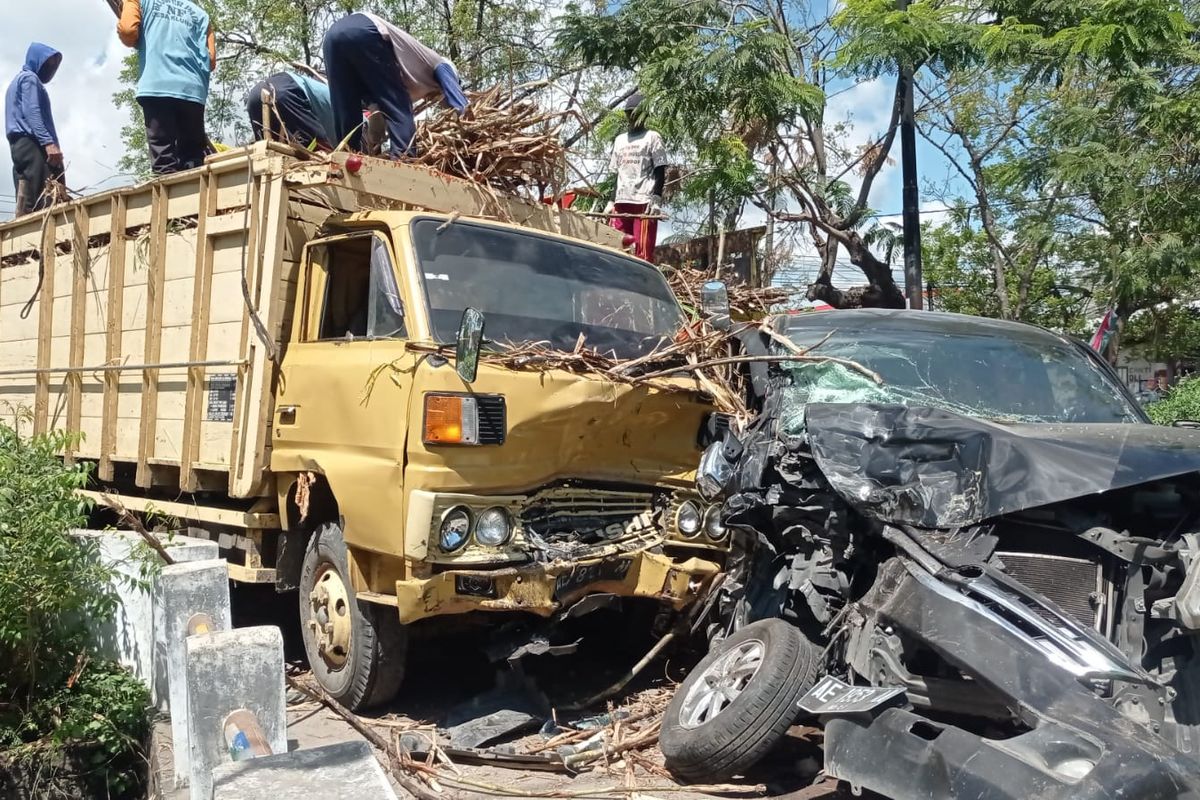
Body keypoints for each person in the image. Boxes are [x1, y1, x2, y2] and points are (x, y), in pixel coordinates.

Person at [322, 13, 468, 158]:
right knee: (400, 107)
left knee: (346, 111)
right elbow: (463, 108)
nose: (434, 100)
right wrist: (466, 125)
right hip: (366, 31)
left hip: (332, 38)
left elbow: (377, 113)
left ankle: (346, 156)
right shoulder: (443, 65)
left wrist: (375, 135)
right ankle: (404, 158)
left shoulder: (410, 75)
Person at [118, 0, 216, 175]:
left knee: (164, 159)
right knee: (192, 158)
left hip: (158, 84)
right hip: (193, 90)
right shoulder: (200, 14)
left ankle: (171, 198)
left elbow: (128, 31)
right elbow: (211, 60)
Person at [605, 93, 668, 262]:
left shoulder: (652, 137)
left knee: (642, 254)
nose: (632, 117)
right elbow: (616, 174)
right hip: (621, 202)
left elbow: (660, 170)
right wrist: (611, 202)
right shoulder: (619, 140)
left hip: (643, 203)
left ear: (644, 115)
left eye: (635, 113)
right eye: (629, 113)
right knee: (617, 250)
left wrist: (656, 198)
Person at [5, 43, 64, 216]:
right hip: (32, 143)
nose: (50, 69)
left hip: (19, 146)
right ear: (37, 60)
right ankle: (47, 235)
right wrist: (48, 143)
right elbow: (33, 113)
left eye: (54, 65)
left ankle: (26, 233)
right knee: (45, 195)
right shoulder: (30, 79)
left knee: (27, 192)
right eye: (48, 64)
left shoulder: (16, 81)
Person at [247, 71, 335, 151]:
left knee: (269, 155)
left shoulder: (323, 89)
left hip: (255, 96)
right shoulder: (342, 101)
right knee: (322, 157)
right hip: (287, 92)